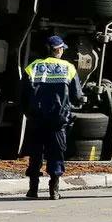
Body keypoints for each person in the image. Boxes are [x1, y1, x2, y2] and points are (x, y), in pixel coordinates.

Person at [21, 35, 83, 200]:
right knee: (56, 154)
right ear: (59, 50)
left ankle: (33, 190)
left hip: (36, 120)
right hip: (58, 120)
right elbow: (77, 96)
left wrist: (28, 111)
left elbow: (22, 94)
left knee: (35, 154)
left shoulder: (32, 67)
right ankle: (54, 191)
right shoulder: (68, 68)